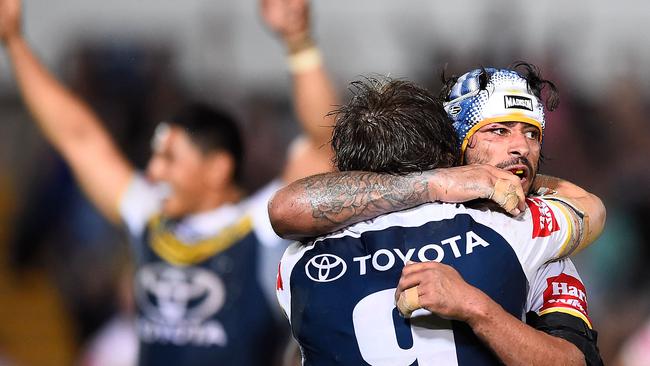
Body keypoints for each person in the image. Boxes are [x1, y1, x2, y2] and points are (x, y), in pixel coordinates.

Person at [0, 0, 336, 364]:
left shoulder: (264, 226)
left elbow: (323, 144)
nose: (153, 172)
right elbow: (77, 136)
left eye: (169, 159)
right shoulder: (148, 215)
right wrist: (14, 42)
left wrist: (298, 42)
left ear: (217, 168)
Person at [272, 66, 604, 365]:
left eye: (532, 134)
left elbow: (287, 208)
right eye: (499, 131)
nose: (521, 147)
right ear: (451, 147)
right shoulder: (519, 229)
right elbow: (589, 207)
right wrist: (478, 308)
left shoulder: (295, 264)